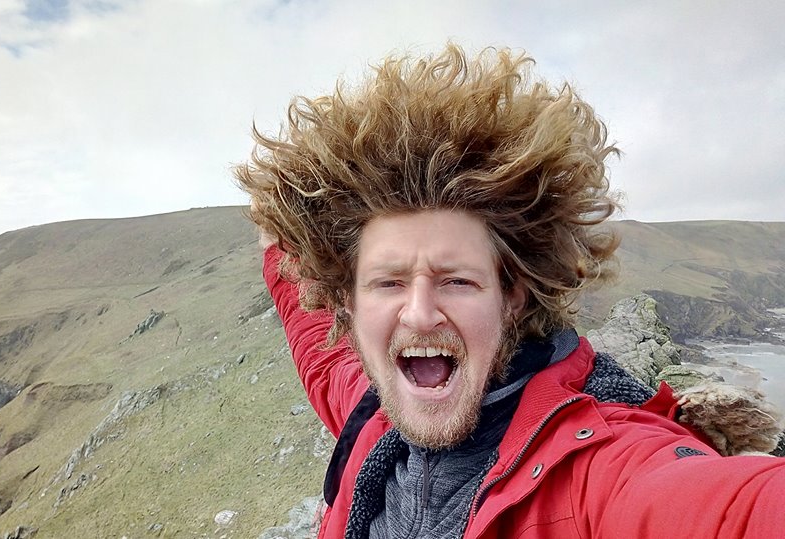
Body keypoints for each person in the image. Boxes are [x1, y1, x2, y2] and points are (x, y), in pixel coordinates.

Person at [234, 45, 785, 538]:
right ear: (349, 304)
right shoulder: (371, 417)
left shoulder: (603, 471)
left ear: (513, 296)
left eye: (457, 281)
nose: (421, 313)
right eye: (389, 282)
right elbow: (322, 357)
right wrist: (276, 247)